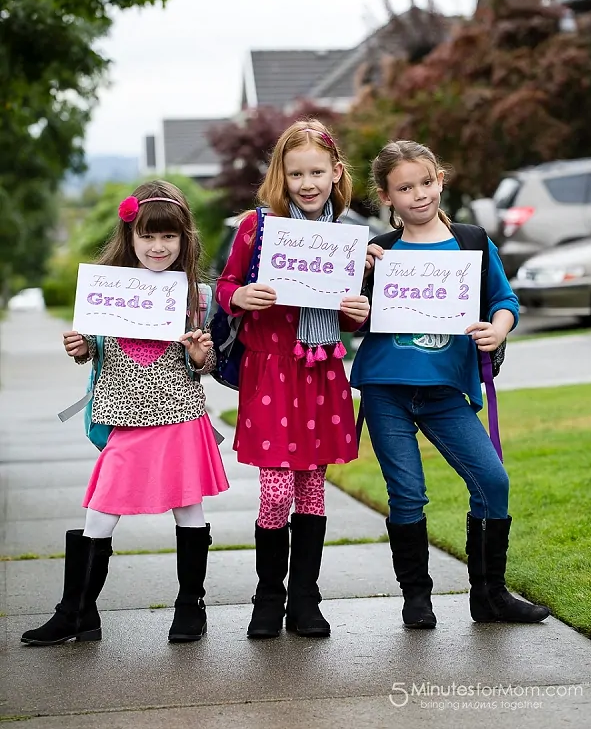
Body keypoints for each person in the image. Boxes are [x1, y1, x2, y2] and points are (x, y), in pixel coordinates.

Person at [21, 180, 229, 647]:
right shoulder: (107, 289)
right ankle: (77, 611)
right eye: (148, 236)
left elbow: (209, 363)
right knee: (100, 512)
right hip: (125, 420)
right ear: (130, 237)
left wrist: (198, 354)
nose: (158, 247)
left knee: (188, 511)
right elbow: (92, 346)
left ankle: (190, 607)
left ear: (184, 239)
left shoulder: (194, 294)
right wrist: (80, 347)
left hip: (179, 415)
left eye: (168, 237)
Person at [352, 140, 549, 629]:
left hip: (445, 391)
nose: (418, 195)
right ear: (386, 196)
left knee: (492, 481)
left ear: (440, 178)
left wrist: (498, 328)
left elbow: (505, 300)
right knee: (407, 494)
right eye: (404, 188)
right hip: (386, 388)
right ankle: (416, 598)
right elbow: (354, 320)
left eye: (425, 182)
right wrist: (359, 286)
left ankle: (490, 597)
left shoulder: (472, 242)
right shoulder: (380, 252)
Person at [216, 119, 370, 640]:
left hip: (320, 370)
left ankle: (305, 599)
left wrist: (356, 309)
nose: (307, 183)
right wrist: (237, 297)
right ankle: (268, 598)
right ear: (281, 174)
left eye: (317, 172)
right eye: (296, 172)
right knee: (275, 493)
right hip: (272, 369)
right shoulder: (256, 229)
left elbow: (349, 320)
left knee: (312, 492)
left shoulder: (345, 238)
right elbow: (227, 284)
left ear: (335, 173)